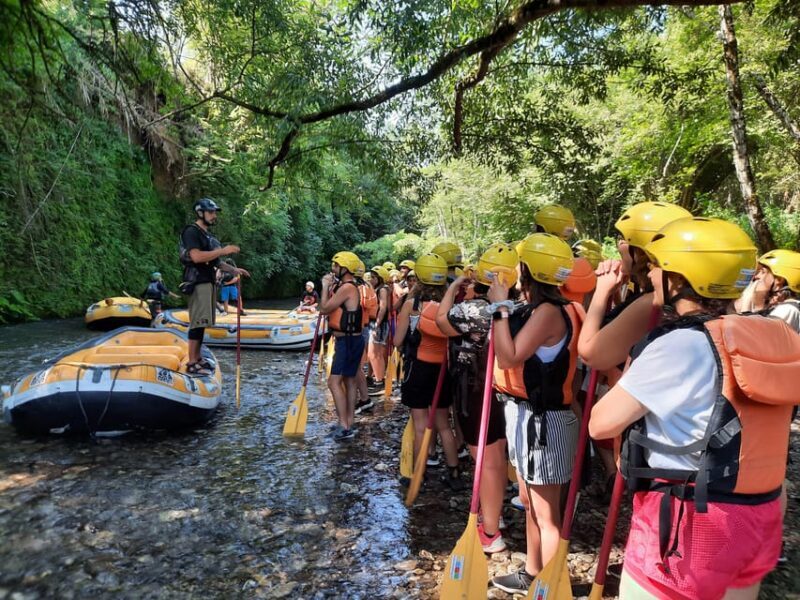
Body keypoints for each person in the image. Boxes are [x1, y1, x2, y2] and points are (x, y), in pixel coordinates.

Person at [589, 217, 800, 600]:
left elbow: (600, 425)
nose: (651, 273)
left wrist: (636, 363)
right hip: (761, 512)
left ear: (680, 279)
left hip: (691, 523)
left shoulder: (680, 345)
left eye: (658, 266)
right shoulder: (776, 334)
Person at [489, 234, 583, 594]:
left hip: (545, 423)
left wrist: (498, 307)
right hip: (536, 418)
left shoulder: (548, 312)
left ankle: (553, 584)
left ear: (529, 270)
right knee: (530, 501)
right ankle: (533, 571)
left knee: (546, 514)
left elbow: (509, 357)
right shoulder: (557, 306)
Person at [436, 243, 520, 555]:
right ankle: (492, 515)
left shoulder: (469, 310)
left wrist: (455, 287)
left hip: (474, 392)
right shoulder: (521, 308)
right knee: (496, 458)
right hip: (505, 391)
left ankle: (490, 531)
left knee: (485, 462)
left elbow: (442, 322)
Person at [394, 253, 464, 490]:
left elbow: (397, 341)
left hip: (418, 370)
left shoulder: (410, 306)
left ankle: (418, 475)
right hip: (442, 371)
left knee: (421, 425)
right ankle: (454, 473)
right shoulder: (449, 309)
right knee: (444, 424)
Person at [180, 198, 249, 375]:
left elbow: (216, 262)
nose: (214, 216)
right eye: (210, 212)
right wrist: (223, 250)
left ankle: (198, 358)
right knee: (197, 323)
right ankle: (192, 361)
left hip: (209, 282)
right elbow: (196, 257)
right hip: (197, 282)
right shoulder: (191, 231)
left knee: (203, 323)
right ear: (200, 213)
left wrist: (234, 270)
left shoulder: (208, 236)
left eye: (215, 212)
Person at [320, 251, 366, 441]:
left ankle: (344, 425)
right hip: (351, 340)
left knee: (333, 382)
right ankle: (349, 422)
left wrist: (324, 287)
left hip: (347, 341)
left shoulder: (347, 288)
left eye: (336, 266)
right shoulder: (347, 286)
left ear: (345, 268)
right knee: (349, 381)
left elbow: (324, 309)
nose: (333, 269)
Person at [735, 249, 800, 333]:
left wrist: (746, 303)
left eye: (762, 272)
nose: (756, 277)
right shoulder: (780, 308)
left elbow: (756, 338)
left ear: (779, 280)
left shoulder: (788, 310)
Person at [367, 264, 391, 395]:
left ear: (380, 278)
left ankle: (380, 382)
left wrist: (377, 324)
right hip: (374, 323)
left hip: (379, 324)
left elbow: (383, 308)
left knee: (374, 354)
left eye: (373, 277)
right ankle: (372, 378)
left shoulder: (382, 289)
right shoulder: (377, 288)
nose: (371, 279)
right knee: (372, 353)